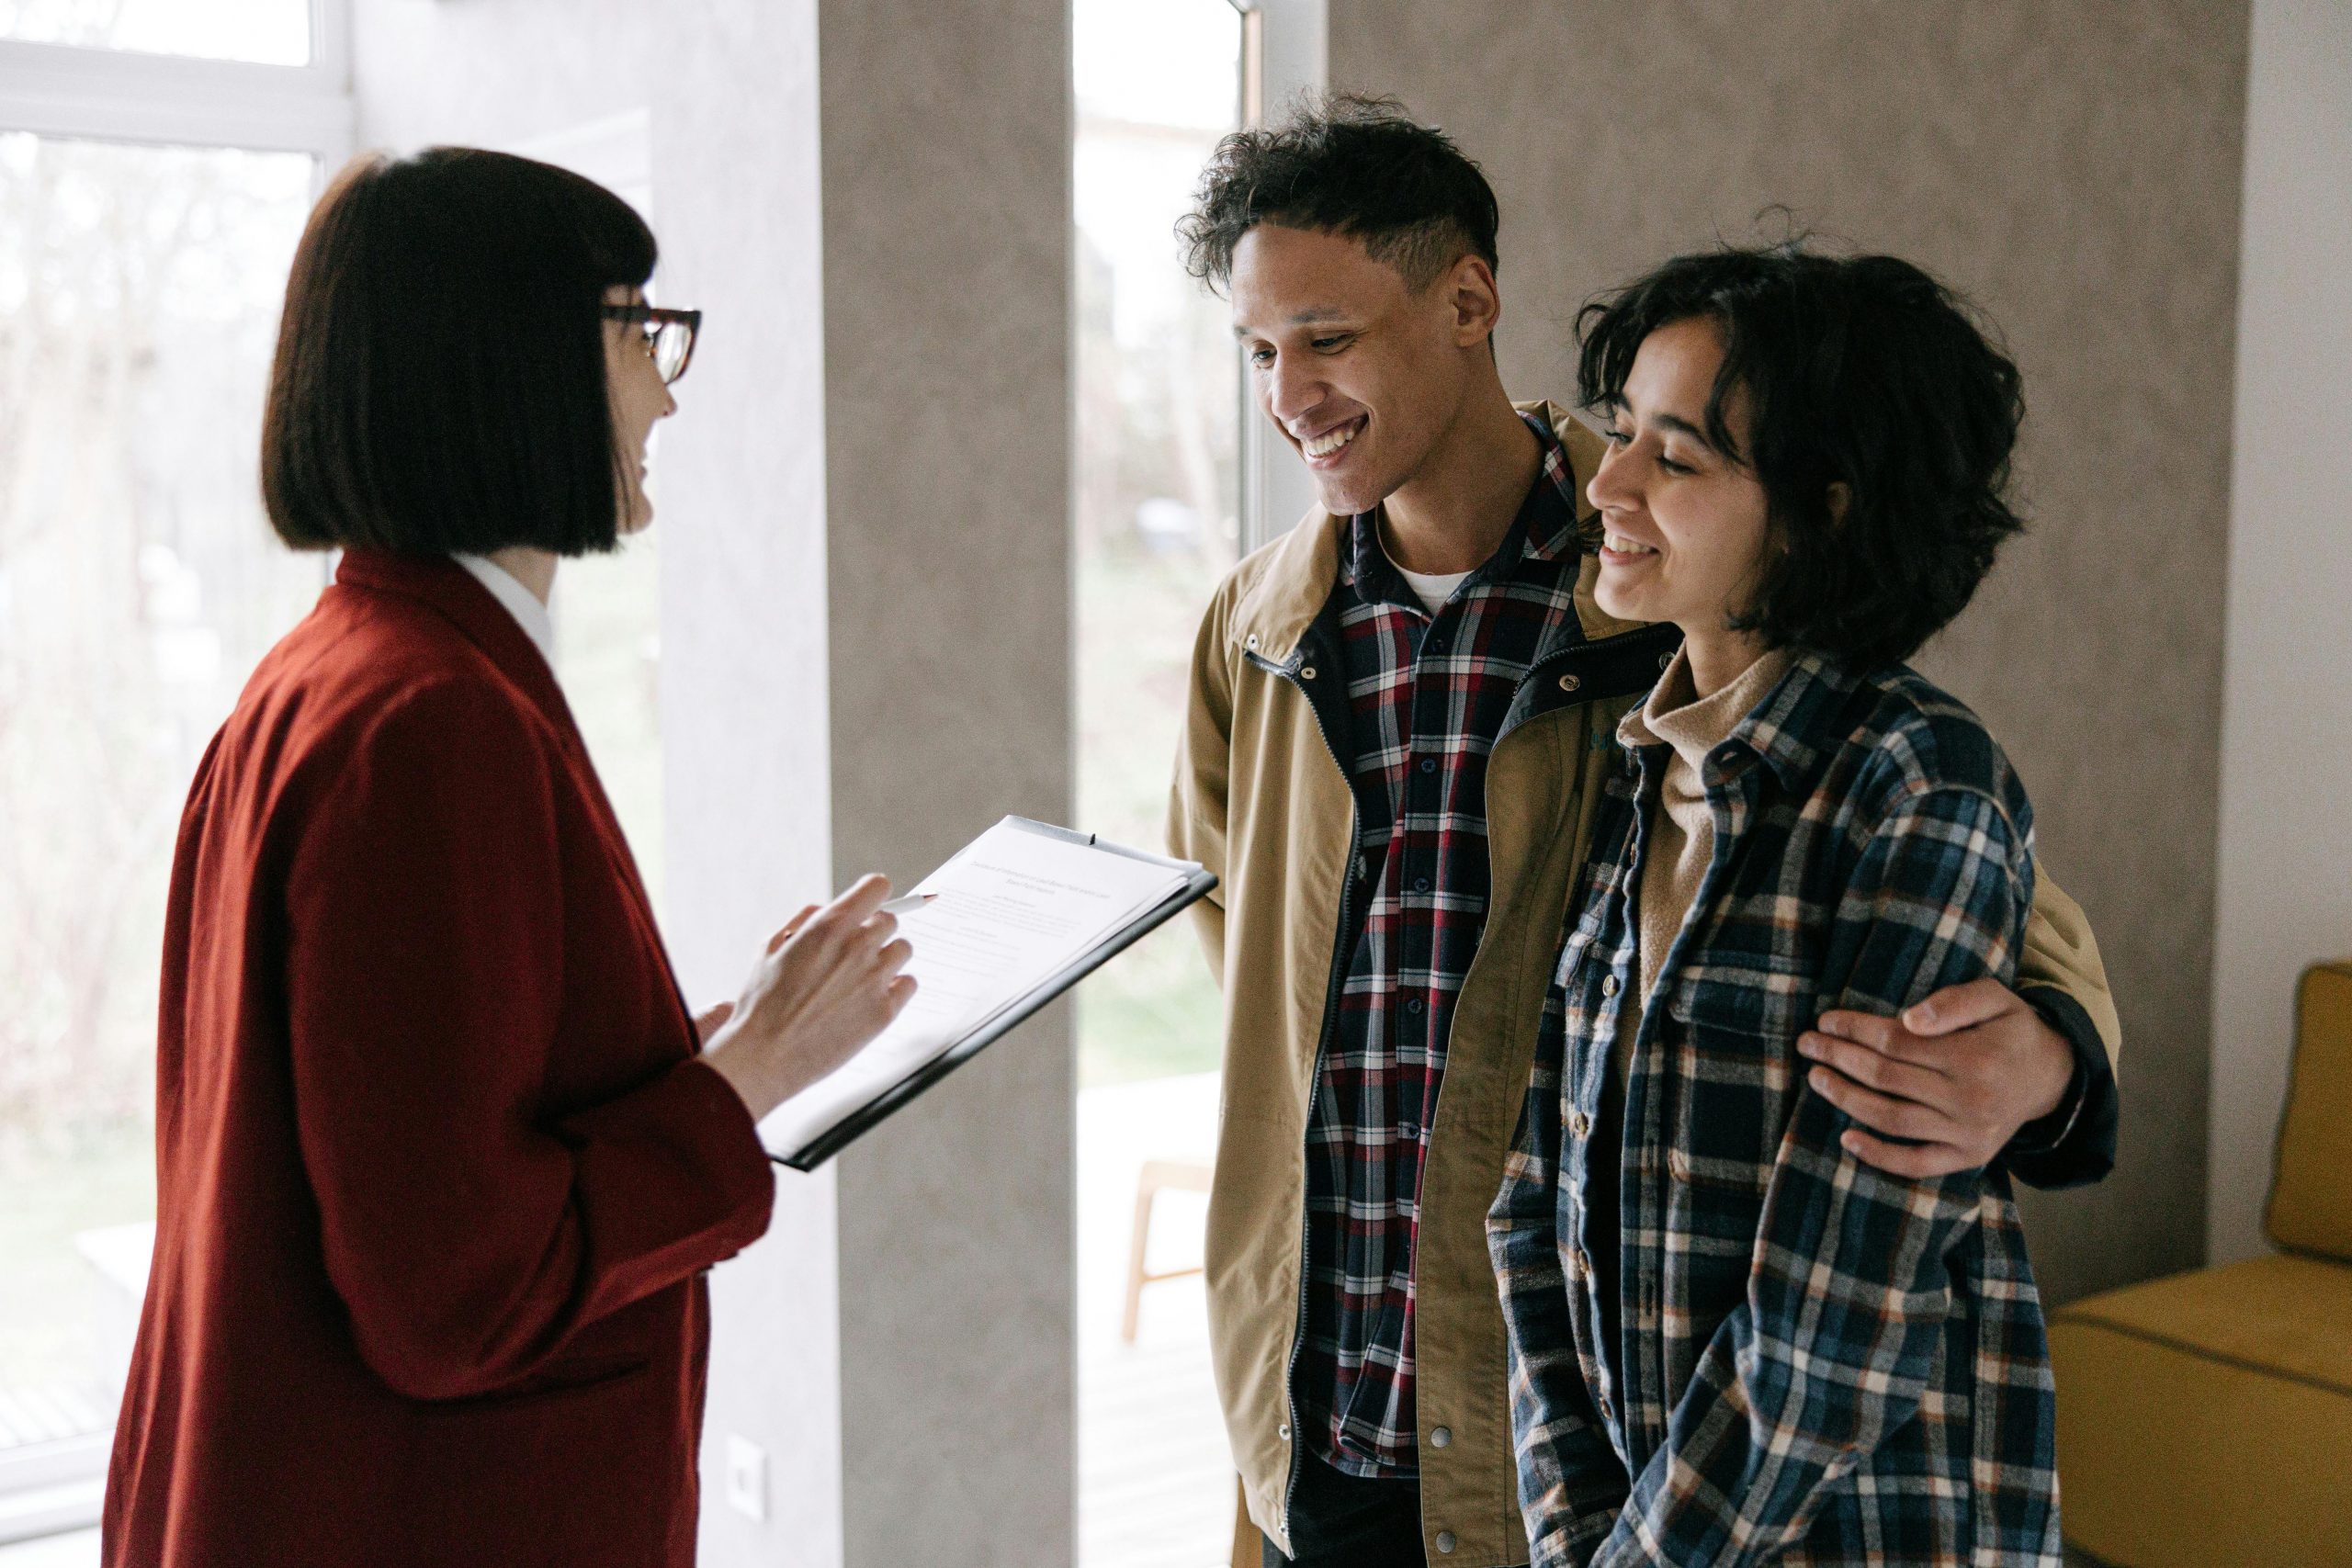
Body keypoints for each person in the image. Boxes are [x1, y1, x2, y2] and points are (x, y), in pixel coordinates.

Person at [1166, 97, 2119, 1568]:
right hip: (1329, 1403)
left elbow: (2006, 927)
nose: (1286, 393)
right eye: (1257, 351)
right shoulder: (1259, 626)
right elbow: (1246, 970)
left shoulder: (1674, 604)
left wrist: (2049, 1053)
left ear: (1470, 300)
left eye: (1329, 338)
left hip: (1594, 1454)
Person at [102, 148, 914, 1568]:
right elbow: (456, 1294)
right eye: (636, 330)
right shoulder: (428, 720)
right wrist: (746, 1082)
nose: (667, 389)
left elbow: (426, 1128)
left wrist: (731, 1040)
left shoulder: (345, 673)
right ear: (511, 360)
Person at [1489, 244, 2064, 1564]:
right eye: (1621, 432)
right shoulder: (1641, 766)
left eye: (1675, 459)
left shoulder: (1919, 783)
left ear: (1823, 513)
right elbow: (1533, 1205)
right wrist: (1577, 1535)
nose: (1610, 482)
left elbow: (1832, 1325)